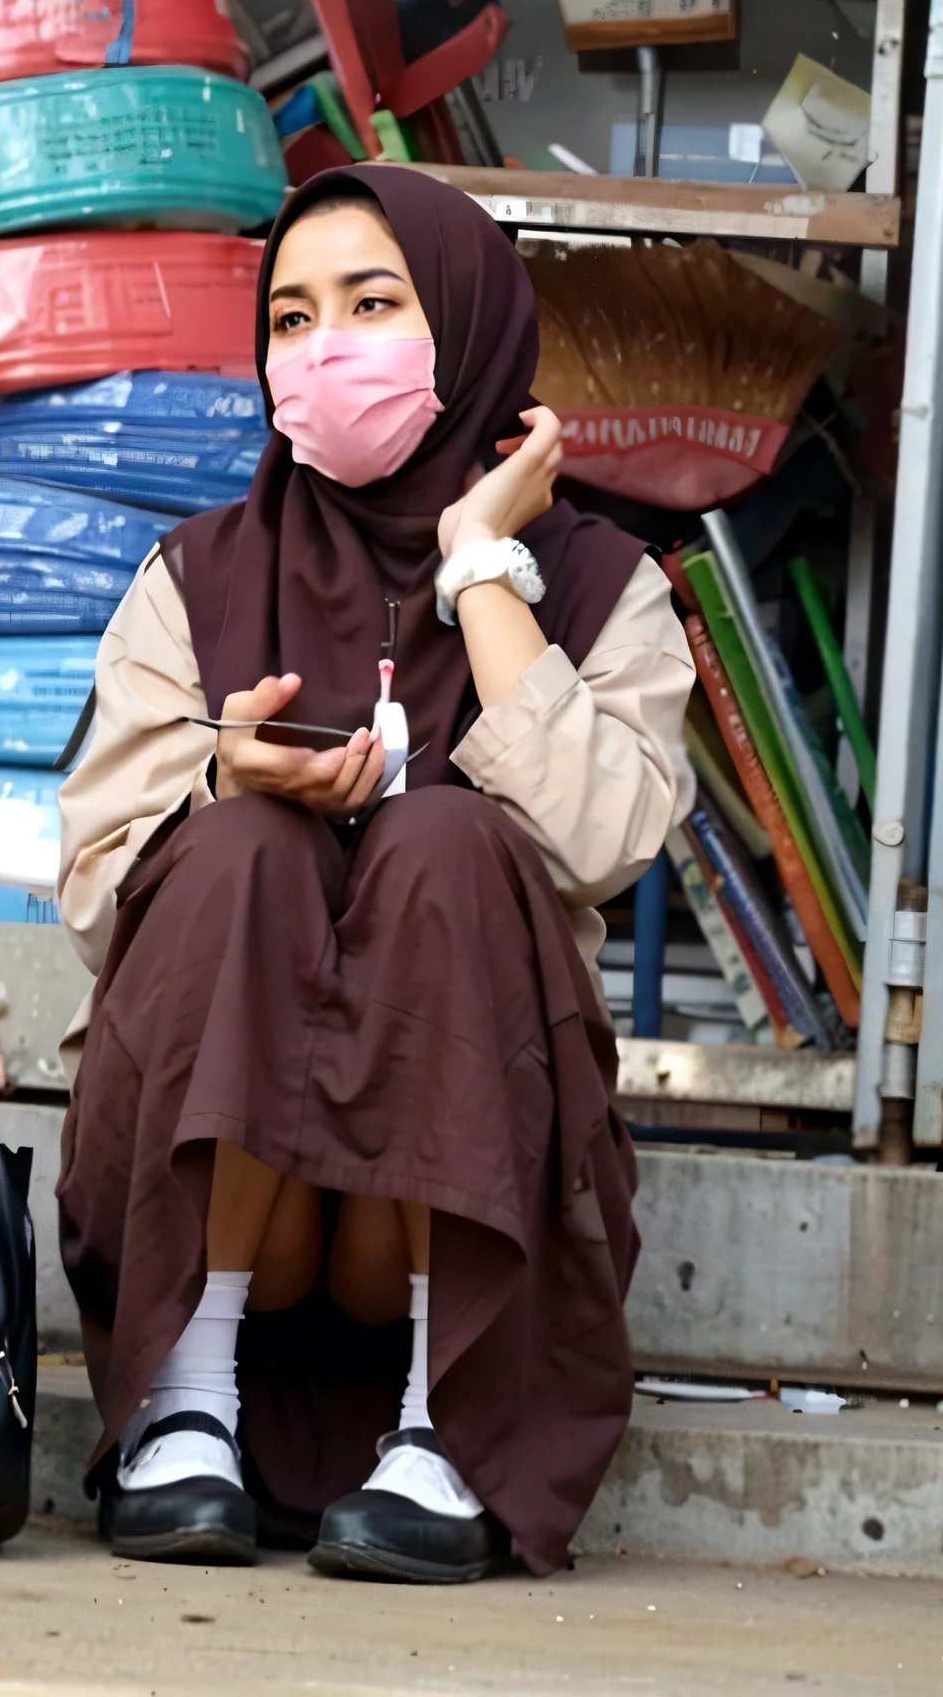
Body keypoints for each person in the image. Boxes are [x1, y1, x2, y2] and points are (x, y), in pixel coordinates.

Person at [53, 165, 695, 1585]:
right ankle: (187, 1400)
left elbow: (604, 838)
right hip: (245, 1196)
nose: (324, 346)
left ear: (463, 329)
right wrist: (220, 773)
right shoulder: (198, 577)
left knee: (448, 839)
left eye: (372, 303)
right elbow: (96, 885)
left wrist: (481, 566)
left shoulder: (603, 589)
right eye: (290, 316)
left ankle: (442, 1430)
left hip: (450, 1202)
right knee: (241, 840)